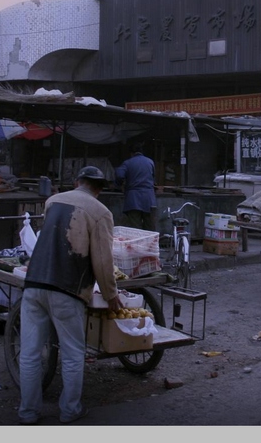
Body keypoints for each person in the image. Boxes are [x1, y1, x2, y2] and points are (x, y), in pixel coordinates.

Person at [18, 166, 121, 425]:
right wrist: (111, 295)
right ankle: (69, 411)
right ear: (98, 189)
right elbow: (103, 260)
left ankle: (28, 413)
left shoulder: (53, 201)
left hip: (34, 283)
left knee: (29, 354)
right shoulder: (101, 212)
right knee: (73, 353)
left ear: (77, 182)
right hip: (67, 288)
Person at [114, 142, 157, 232]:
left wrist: (120, 184)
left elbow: (119, 175)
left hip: (133, 199)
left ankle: (138, 246)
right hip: (149, 198)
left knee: (136, 229)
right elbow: (153, 178)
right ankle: (150, 245)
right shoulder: (150, 162)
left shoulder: (127, 163)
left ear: (131, 153)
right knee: (150, 228)